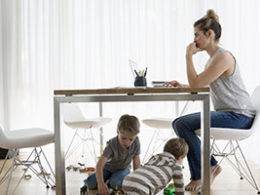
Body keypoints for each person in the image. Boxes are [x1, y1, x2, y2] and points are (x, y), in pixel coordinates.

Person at [165, 9, 256, 191]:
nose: (194, 40)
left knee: (181, 124)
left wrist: (188, 56)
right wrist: (183, 85)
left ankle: (203, 172)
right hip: (231, 114)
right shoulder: (213, 60)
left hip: (239, 116)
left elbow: (196, 83)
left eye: (197, 35)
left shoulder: (223, 57)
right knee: (181, 123)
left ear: (210, 34)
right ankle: (211, 165)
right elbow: (200, 85)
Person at [83, 114, 141, 195]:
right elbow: (100, 164)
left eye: (131, 139)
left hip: (123, 169)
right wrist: (100, 184)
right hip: (108, 168)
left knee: (116, 183)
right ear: (117, 132)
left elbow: (136, 160)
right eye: (123, 138)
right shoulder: (111, 144)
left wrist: (137, 179)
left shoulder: (136, 142)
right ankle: (102, 178)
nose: (127, 143)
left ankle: (111, 181)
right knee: (91, 184)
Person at [122, 138, 188, 195]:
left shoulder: (155, 157)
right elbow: (180, 189)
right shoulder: (176, 166)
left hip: (128, 179)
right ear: (180, 158)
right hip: (142, 186)